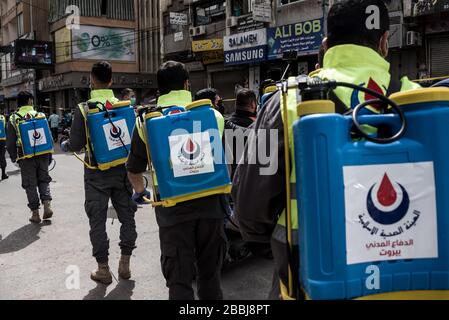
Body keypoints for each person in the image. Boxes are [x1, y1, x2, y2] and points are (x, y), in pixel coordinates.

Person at [232, 0, 421, 301]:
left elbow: (249, 198)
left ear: (325, 43)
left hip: (308, 266)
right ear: (385, 42)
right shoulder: (421, 101)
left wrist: (261, 239)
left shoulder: (284, 101)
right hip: (407, 269)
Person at [127, 61, 227, 300]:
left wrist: (141, 192)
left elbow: (133, 169)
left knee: (179, 282)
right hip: (211, 207)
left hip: (172, 213)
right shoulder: (213, 115)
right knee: (210, 276)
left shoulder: (146, 121)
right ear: (186, 84)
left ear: (159, 89)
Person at [61, 61, 138, 285]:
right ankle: (125, 263)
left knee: (97, 221)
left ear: (92, 80)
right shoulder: (124, 105)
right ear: (112, 80)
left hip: (96, 174)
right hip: (123, 171)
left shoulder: (84, 108)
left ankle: (103, 269)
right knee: (127, 217)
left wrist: (66, 144)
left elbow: (75, 144)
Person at [6, 91, 54, 223]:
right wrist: (49, 154)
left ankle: (35, 213)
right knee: (44, 179)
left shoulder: (13, 118)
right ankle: (47, 204)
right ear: (29, 101)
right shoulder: (40, 115)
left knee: (30, 184)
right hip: (43, 154)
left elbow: (10, 142)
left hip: (25, 157)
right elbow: (48, 137)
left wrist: (14, 158)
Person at [224, 89, 257, 179]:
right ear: (253, 104)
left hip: (233, 178)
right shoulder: (257, 126)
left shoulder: (227, 124)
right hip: (251, 178)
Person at [0, 113, 8, 180]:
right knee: (2, 157)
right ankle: (3, 174)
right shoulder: (2, 117)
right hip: (2, 140)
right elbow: (6, 129)